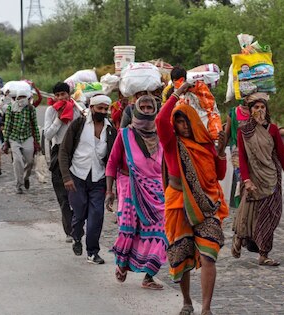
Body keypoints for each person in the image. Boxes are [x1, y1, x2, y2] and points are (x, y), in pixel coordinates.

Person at [156, 82, 228, 315]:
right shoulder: (171, 144)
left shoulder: (205, 146)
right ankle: (187, 302)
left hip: (207, 205)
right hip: (178, 203)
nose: (183, 126)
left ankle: (206, 307)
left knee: (209, 254)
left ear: (194, 122)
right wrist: (177, 93)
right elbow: (159, 121)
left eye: (186, 121)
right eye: (178, 121)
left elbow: (219, 175)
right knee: (181, 255)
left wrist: (221, 153)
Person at [105, 95, 168, 290]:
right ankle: (122, 263)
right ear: (137, 110)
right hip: (128, 185)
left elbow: (167, 164)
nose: (148, 110)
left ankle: (149, 275)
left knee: (161, 231)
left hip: (156, 189)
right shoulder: (124, 134)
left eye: (151, 107)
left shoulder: (162, 135)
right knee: (129, 229)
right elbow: (112, 162)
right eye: (144, 107)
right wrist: (109, 191)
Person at [232, 92, 284, 266]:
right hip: (253, 178)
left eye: (262, 107)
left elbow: (282, 155)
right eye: (256, 107)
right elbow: (243, 158)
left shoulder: (273, 129)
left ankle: (263, 253)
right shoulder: (243, 130)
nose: (260, 110)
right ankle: (246, 241)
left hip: (271, 177)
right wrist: (246, 180)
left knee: (272, 214)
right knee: (250, 214)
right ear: (250, 110)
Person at [58, 94, 116, 265]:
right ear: (92, 108)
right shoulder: (79, 125)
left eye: (106, 109)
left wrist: (112, 185)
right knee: (79, 213)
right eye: (100, 108)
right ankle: (76, 236)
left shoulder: (110, 129)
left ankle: (93, 252)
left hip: (99, 178)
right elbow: (64, 151)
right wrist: (66, 177)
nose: (103, 112)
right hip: (77, 176)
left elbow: (113, 157)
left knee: (97, 215)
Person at [44, 82, 81, 243]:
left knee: (78, 192)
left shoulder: (76, 109)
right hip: (58, 152)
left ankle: (78, 223)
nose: (61, 98)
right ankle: (70, 230)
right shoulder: (51, 111)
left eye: (63, 95)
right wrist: (59, 119)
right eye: (57, 95)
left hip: (76, 152)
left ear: (68, 94)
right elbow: (48, 134)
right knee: (63, 194)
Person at [2, 89, 41, 194]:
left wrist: (38, 141)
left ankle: (26, 177)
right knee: (18, 161)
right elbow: (7, 125)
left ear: (28, 98)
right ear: (17, 98)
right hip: (14, 138)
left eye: (24, 97)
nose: (22, 99)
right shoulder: (11, 108)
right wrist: (6, 142)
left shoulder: (31, 109)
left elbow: (35, 125)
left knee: (30, 161)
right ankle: (19, 184)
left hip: (27, 137)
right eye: (20, 97)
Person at [225, 100, 251, 208]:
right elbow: (227, 134)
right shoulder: (233, 113)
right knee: (242, 180)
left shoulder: (257, 111)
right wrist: (219, 153)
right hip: (238, 152)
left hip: (253, 150)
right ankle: (242, 206)